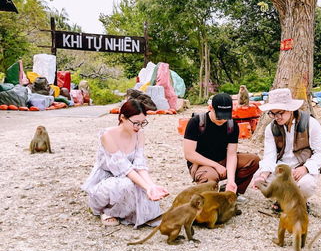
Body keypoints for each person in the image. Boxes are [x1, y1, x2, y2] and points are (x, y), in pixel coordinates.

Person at [81, 99, 169, 227]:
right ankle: (107, 210)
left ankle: (126, 210)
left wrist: (151, 185)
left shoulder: (139, 134)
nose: (138, 127)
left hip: (129, 176)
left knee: (141, 188)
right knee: (129, 184)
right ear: (123, 118)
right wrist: (146, 186)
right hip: (106, 180)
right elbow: (124, 168)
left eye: (142, 123)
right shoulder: (108, 135)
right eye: (135, 123)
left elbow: (140, 165)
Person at [251, 88, 321, 210]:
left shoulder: (310, 123)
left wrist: (306, 168)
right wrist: (263, 175)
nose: (276, 117)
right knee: (258, 177)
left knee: (306, 185)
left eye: (279, 113)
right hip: (281, 168)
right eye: (272, 113)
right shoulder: (270, 128)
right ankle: (281, 199)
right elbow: (269, 155)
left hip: (302, 166)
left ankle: (301, 200)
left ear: (290, 110)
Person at [183, 93, 260, 204]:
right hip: (201, 163)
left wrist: (231, 181)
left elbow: (232, 154)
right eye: (219, 115)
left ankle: (230, 191)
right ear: (211, 108)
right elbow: (189, 154)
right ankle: (209, 197)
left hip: (223, 160)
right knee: (210, 177)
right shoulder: (196, 122)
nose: (222, 119)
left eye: (225, 116)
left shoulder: (232, 125)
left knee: (253, 160)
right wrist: (216, 166)